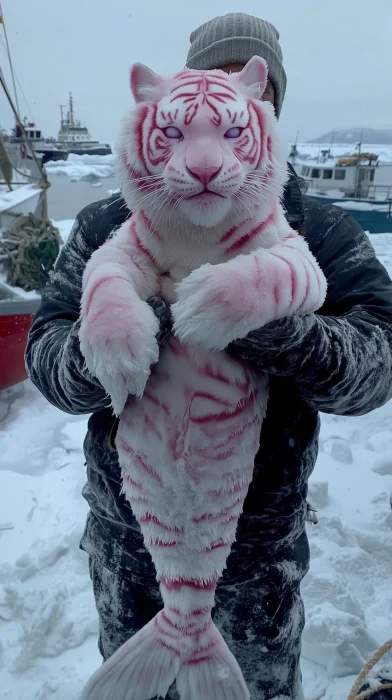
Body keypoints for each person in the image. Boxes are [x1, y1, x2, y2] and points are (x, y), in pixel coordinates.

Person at [25, 12, 392, 700]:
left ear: (269, 107)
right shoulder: (111, 223)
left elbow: (377, 364)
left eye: (245, 97)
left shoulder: (323, 232)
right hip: (129, 546)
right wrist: (129, 333)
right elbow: (48, 354)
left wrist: (265, 322)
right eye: (201, 91)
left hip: (257, 564)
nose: (206, 144)